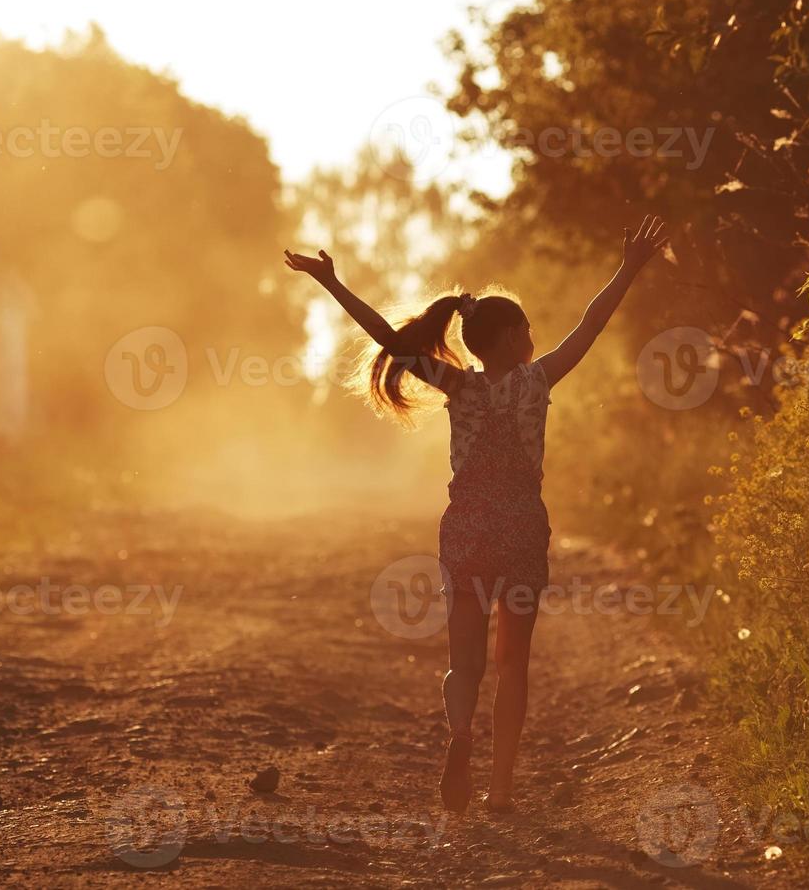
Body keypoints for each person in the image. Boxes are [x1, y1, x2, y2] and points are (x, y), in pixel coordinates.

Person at [284, 214, 669, 813]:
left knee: (463, 663)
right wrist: (629, 268)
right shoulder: (538, 381)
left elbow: (389, 337)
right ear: (515, 336)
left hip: (466, 532)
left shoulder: (458, 387)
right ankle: (501, 790)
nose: (535, 333)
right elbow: (593, 322)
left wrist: (331, 283)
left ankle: (460, 734)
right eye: (529, 325)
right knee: (512, 666)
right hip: (519, 531)